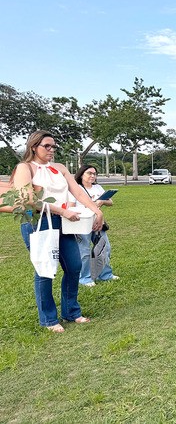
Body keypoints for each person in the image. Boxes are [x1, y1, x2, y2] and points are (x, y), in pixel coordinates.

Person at [13, 130, 104, 333]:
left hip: (65, 221)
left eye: (54, 146)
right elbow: (28, 200)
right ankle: (49, 319)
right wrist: (62, 210)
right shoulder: (25, 168)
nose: (51, 150)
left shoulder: (60, 168)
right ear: (33, 146)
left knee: (73, 266)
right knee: (45, 270)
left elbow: (78, 191)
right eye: (47, 146)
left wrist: (96, 210)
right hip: (39, 222)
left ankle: (71, 312)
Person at [70, 164, 119, 286]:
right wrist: (90, 205)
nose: (92, 176)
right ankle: (85, 278)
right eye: (89, 173)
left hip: (98, 222)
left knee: (104, 248)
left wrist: (102, 201)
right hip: (82, 223)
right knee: (84, 251)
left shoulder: (97, 187)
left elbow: (110, 202)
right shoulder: (75, 189)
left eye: (94, 173)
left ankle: (105, 274)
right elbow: (70, 207)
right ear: (81, 174)